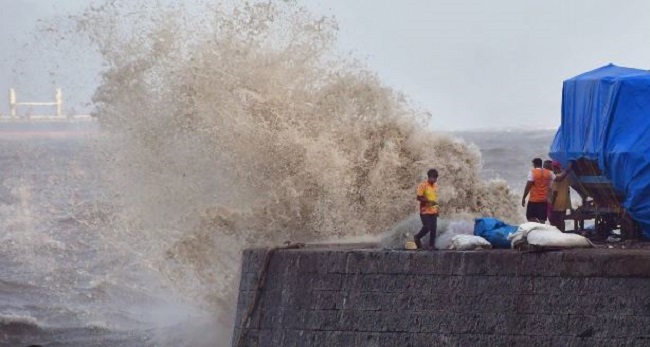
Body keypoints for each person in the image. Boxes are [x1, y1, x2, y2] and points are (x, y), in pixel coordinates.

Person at [521, 158, 555, 223]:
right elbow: (555, 181)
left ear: (534, 164)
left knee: (530, 217)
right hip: (544, 200)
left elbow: (528, 186)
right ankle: (541, 229)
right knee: (542, 219)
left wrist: (524, 197)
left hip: (534, 200)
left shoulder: (533, 172)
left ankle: (536, 225)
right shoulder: (549, 173)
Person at [415, 169, 439, 249]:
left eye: (435, 178)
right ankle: (417, 237)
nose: (434, 180)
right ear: (429, 177)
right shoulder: (423, 185)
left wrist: (437, 209)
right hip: (424, 211)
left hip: (433, 210)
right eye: (433, 178)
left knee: (433, 229)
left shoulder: (435, 186)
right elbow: (418, 197)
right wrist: (428, 201)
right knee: (427, 227)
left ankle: (431, 246)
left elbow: (434, 199)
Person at [549, 160, 572, 232]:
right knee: (562, 220)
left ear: (554, 168)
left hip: (556, 204)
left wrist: (551, 205)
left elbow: (554, 193)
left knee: (553, 222)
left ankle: (556, 235)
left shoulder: (556, 178)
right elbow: (568, 190)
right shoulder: (566, 178)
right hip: (564, 203)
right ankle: (562, 233)